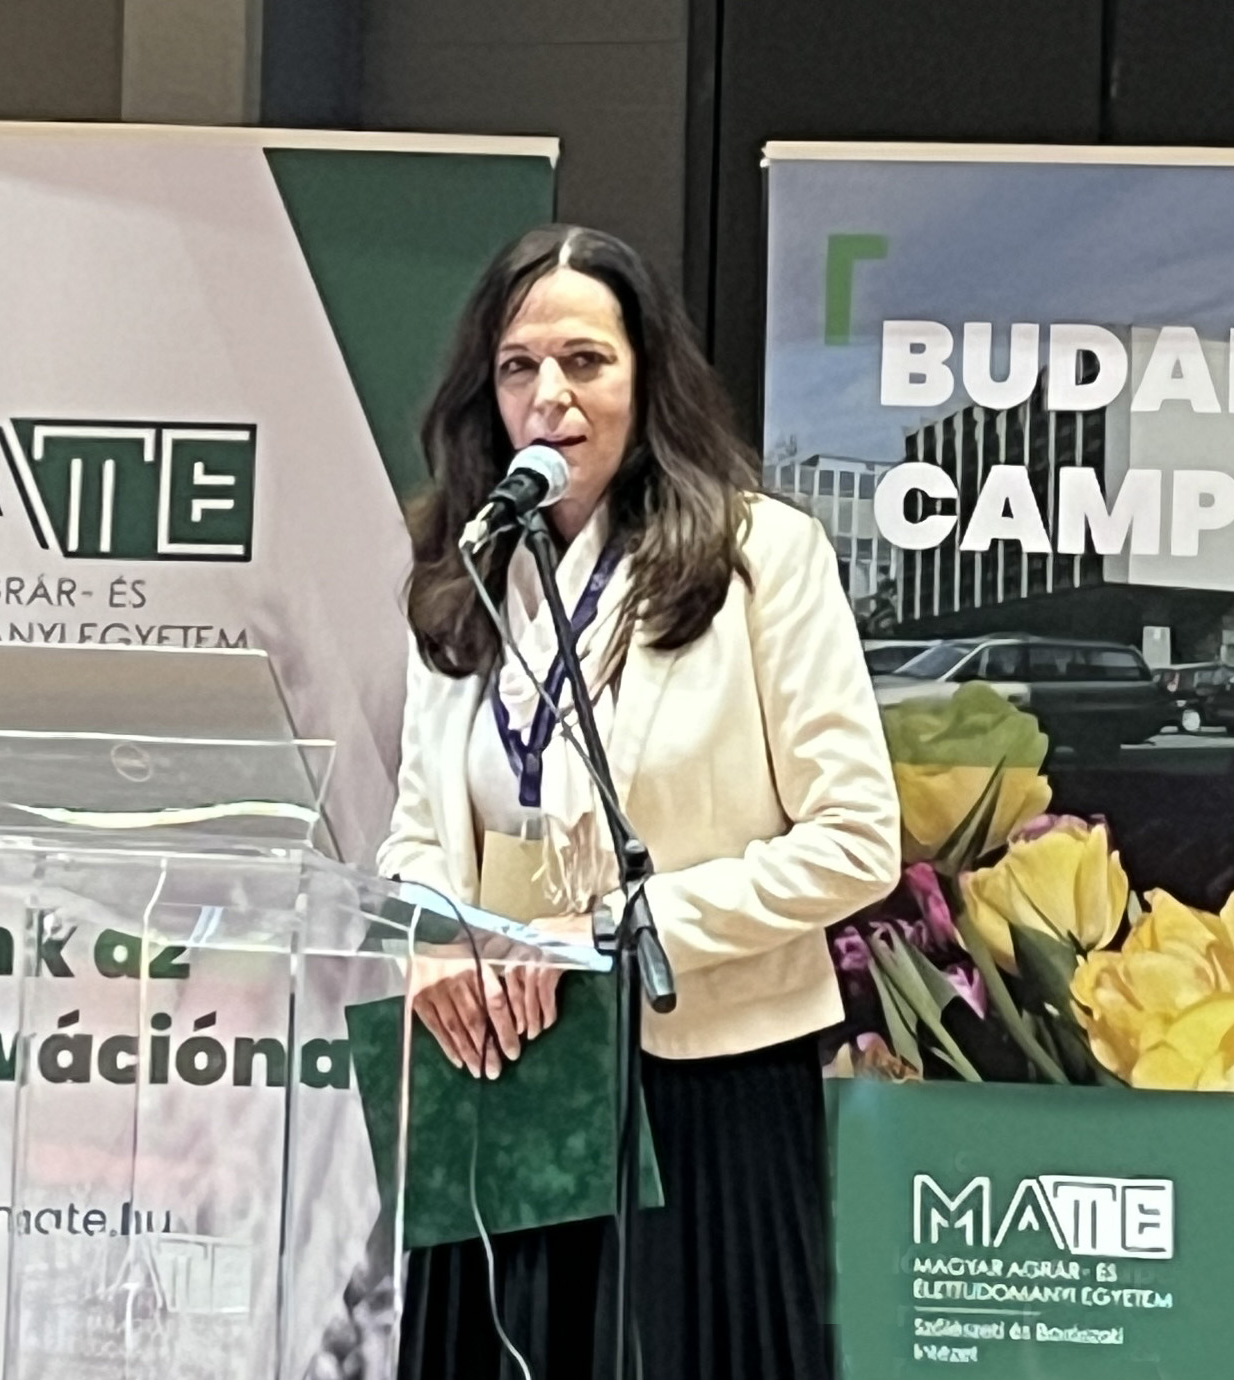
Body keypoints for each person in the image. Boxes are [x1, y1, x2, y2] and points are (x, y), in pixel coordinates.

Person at [377, 224, 901, 1380]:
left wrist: (610, 930)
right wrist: (436, 943)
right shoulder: (461, 567)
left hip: (703, 1079)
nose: (549, 396)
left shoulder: (763, 557)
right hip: (505, 1069)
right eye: (518, 367)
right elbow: (418, 829)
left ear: (648, 375)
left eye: (585, 362)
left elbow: (856, 842)